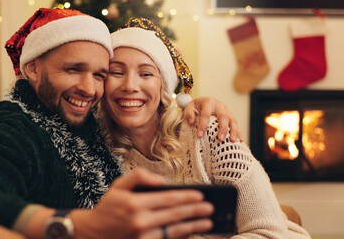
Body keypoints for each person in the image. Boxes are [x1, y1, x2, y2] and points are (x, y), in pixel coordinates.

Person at [0, 9, 240, 239]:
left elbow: (145, 110)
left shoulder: (91, 124)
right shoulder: (14, 127)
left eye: (100, 75)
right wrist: (74, 225)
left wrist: (196, 104)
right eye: (73, 70)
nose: (89, 89)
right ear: (32, 68)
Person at [99, 18, 311, 238]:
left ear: (164, 86)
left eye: (146, 74)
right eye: (116, 72)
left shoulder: (207, 133)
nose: (130, 86)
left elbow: (268, 231)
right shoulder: (95, 152)